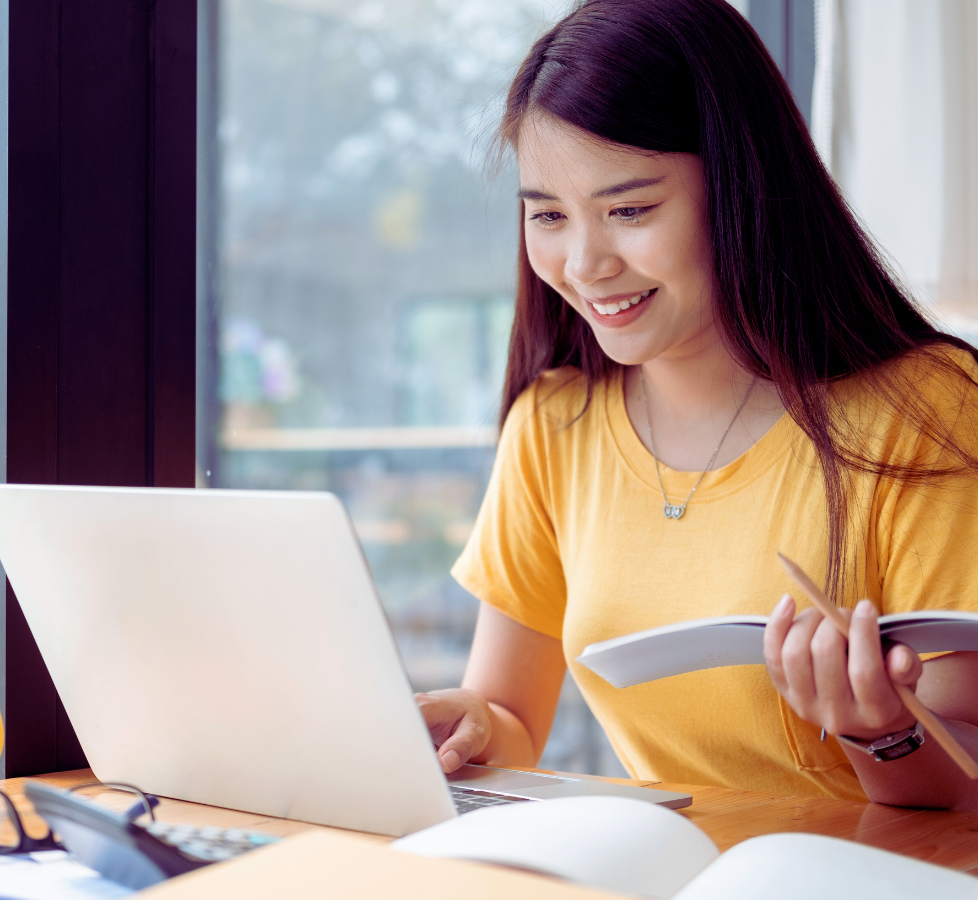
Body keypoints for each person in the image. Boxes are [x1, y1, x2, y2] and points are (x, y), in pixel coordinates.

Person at [417, 0, 978, 811]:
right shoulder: (554, 423)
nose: (584, 263)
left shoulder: (924, 409)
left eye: (631, 210)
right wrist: (460, 725)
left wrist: (881, 732)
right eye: (547, 215)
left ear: (742, 186)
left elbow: (965, 795)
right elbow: (507, 718)